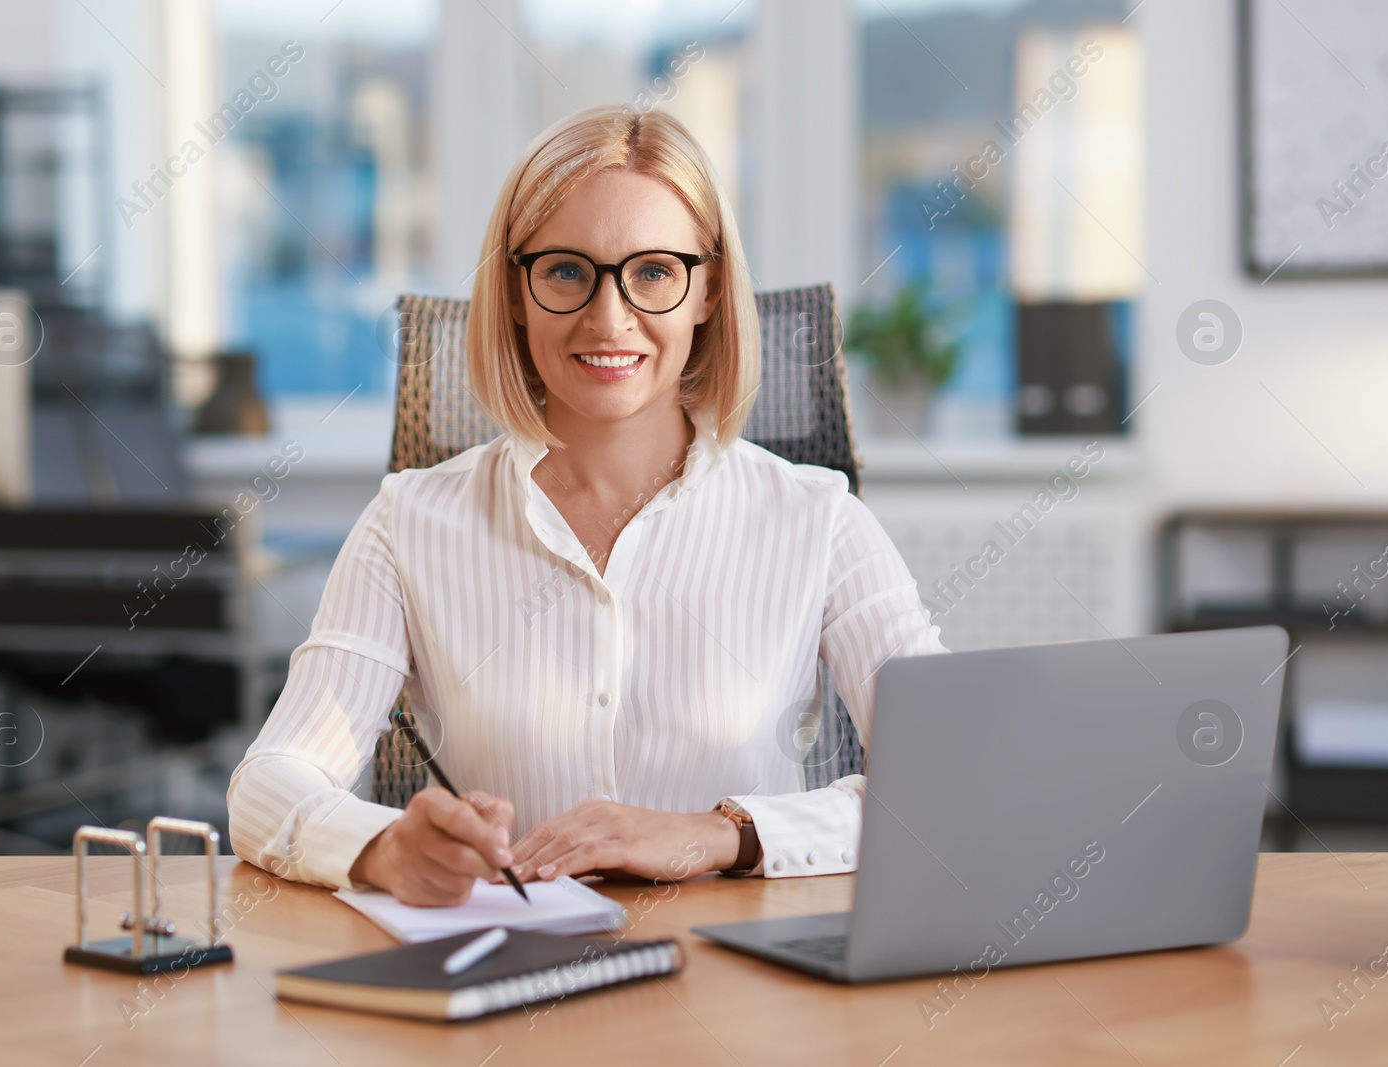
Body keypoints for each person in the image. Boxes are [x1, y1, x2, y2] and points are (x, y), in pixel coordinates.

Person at [227, 105, 946, 906]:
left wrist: (717, 833)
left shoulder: (819, 519)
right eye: (567, 270)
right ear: (516, 292)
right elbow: (269, 784)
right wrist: (382, 847)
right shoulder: (410, 522)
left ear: (707, 290)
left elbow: (957, 785)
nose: (610, 318)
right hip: (508, 985)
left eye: (653, 272)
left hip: (740, 992)